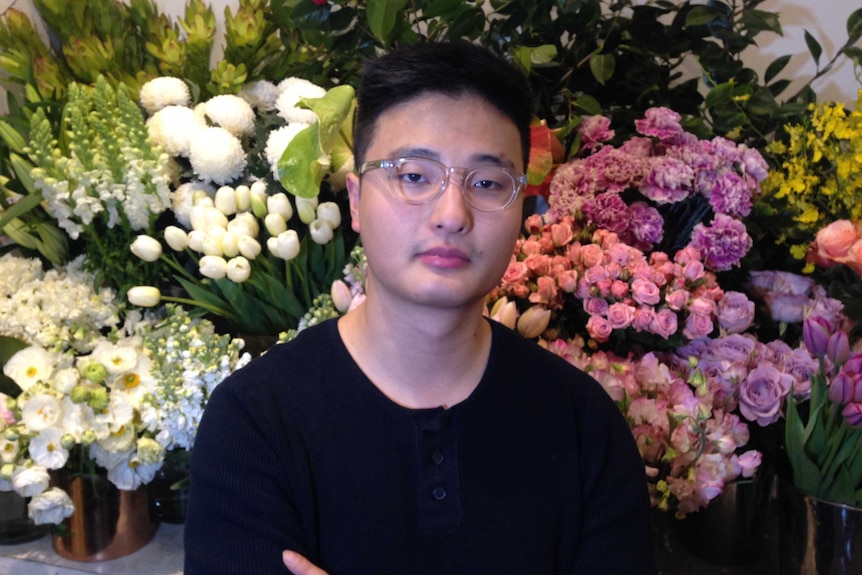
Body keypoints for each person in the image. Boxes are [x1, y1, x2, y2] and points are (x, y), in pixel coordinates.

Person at [184, 40, 655, 575]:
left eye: (487, 182)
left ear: (523, 207)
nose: (452, 214)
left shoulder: (583, 422)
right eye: (414, 176)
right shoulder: (254, 423)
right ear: (357, 201)